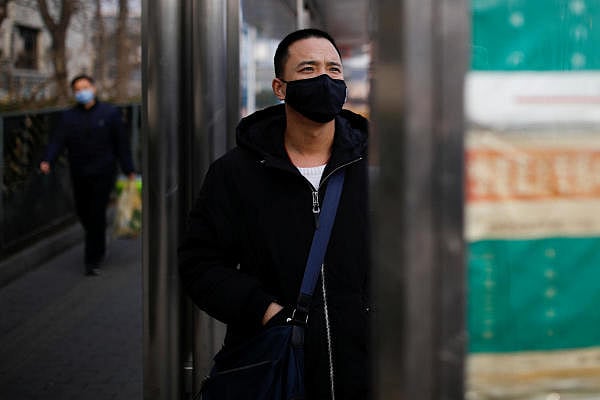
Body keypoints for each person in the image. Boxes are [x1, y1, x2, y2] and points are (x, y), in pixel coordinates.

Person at [178, 29, 370, 399]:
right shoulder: (236, 173)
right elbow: (199, 262)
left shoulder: (376, 168)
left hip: (366, 371)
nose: (325, 80)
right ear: (280, 88)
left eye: (334, 69)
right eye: (308, 69)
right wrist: (264, 310)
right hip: (278, 370)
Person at [40, 74, 135, 276]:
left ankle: (92, 259)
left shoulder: (110, 113)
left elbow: (121, 144)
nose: (82, 91)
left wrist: (129, 170)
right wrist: (48, 160)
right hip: (79, 171)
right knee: (83, 211)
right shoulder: (69, 117)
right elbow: (57, 141)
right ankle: (97, 237)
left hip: (103, 172)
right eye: (78, 89)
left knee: (96, 212)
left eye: (85, 87)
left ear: (93, 88)